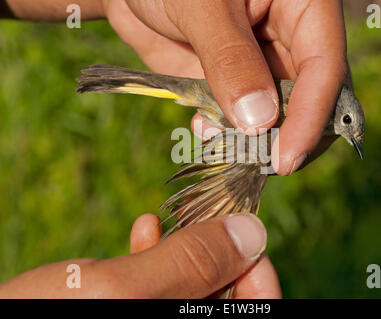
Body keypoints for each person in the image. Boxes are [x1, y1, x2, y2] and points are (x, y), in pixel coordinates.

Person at [0, 0, 350, 298]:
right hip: (224, 101)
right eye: (348, 123)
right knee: (248, 174)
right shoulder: (294, 107)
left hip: (222, 104)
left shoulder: (302, 104)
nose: (346, 132)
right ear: (339, 110)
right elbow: (241, 173)